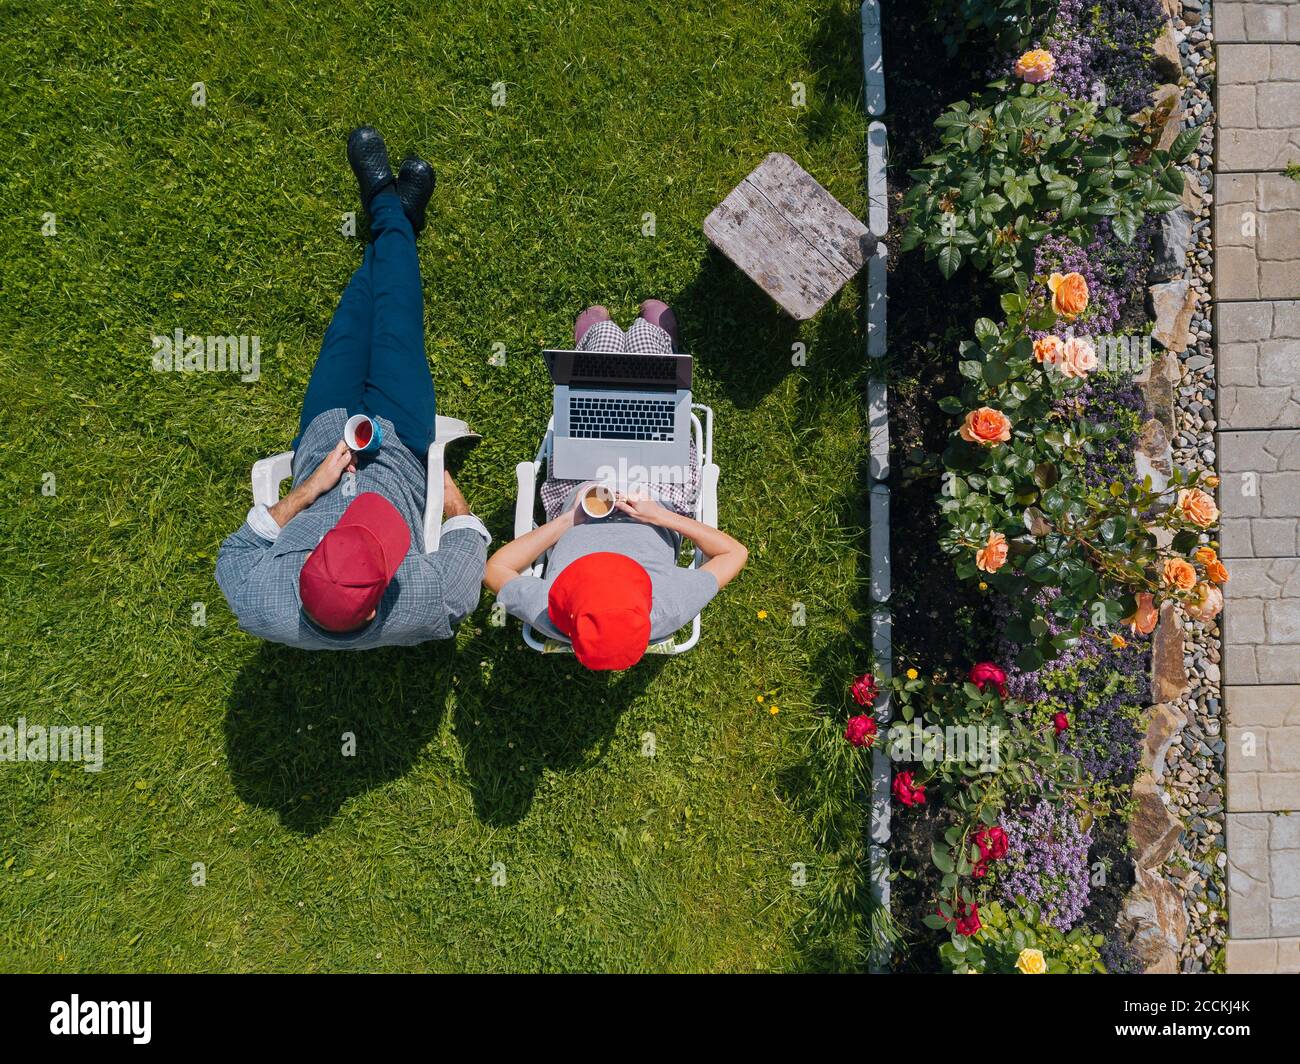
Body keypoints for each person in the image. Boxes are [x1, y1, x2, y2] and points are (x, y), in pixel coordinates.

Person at [216, 127, 489, 649]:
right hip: (403, 445)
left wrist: (307, 491)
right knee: (396, 315)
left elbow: (234, 553)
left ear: (307, 565)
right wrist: (452, 497)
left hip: (322, 439)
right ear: (374, 614)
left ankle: (392, 215)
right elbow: (468, 548)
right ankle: (390, 209)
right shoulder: (423, 606)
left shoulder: (260, 600)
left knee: (354, 316)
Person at [484, 303, 748, 670]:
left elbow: (495, 569)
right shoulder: (669, 607)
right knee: (647, 358)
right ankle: (652, 341)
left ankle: (601, 340)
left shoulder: (554, 614)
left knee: (601, 365)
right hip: (658, 491)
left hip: (579, 490)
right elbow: (734, 553)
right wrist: (661, 516)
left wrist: (568, 522)